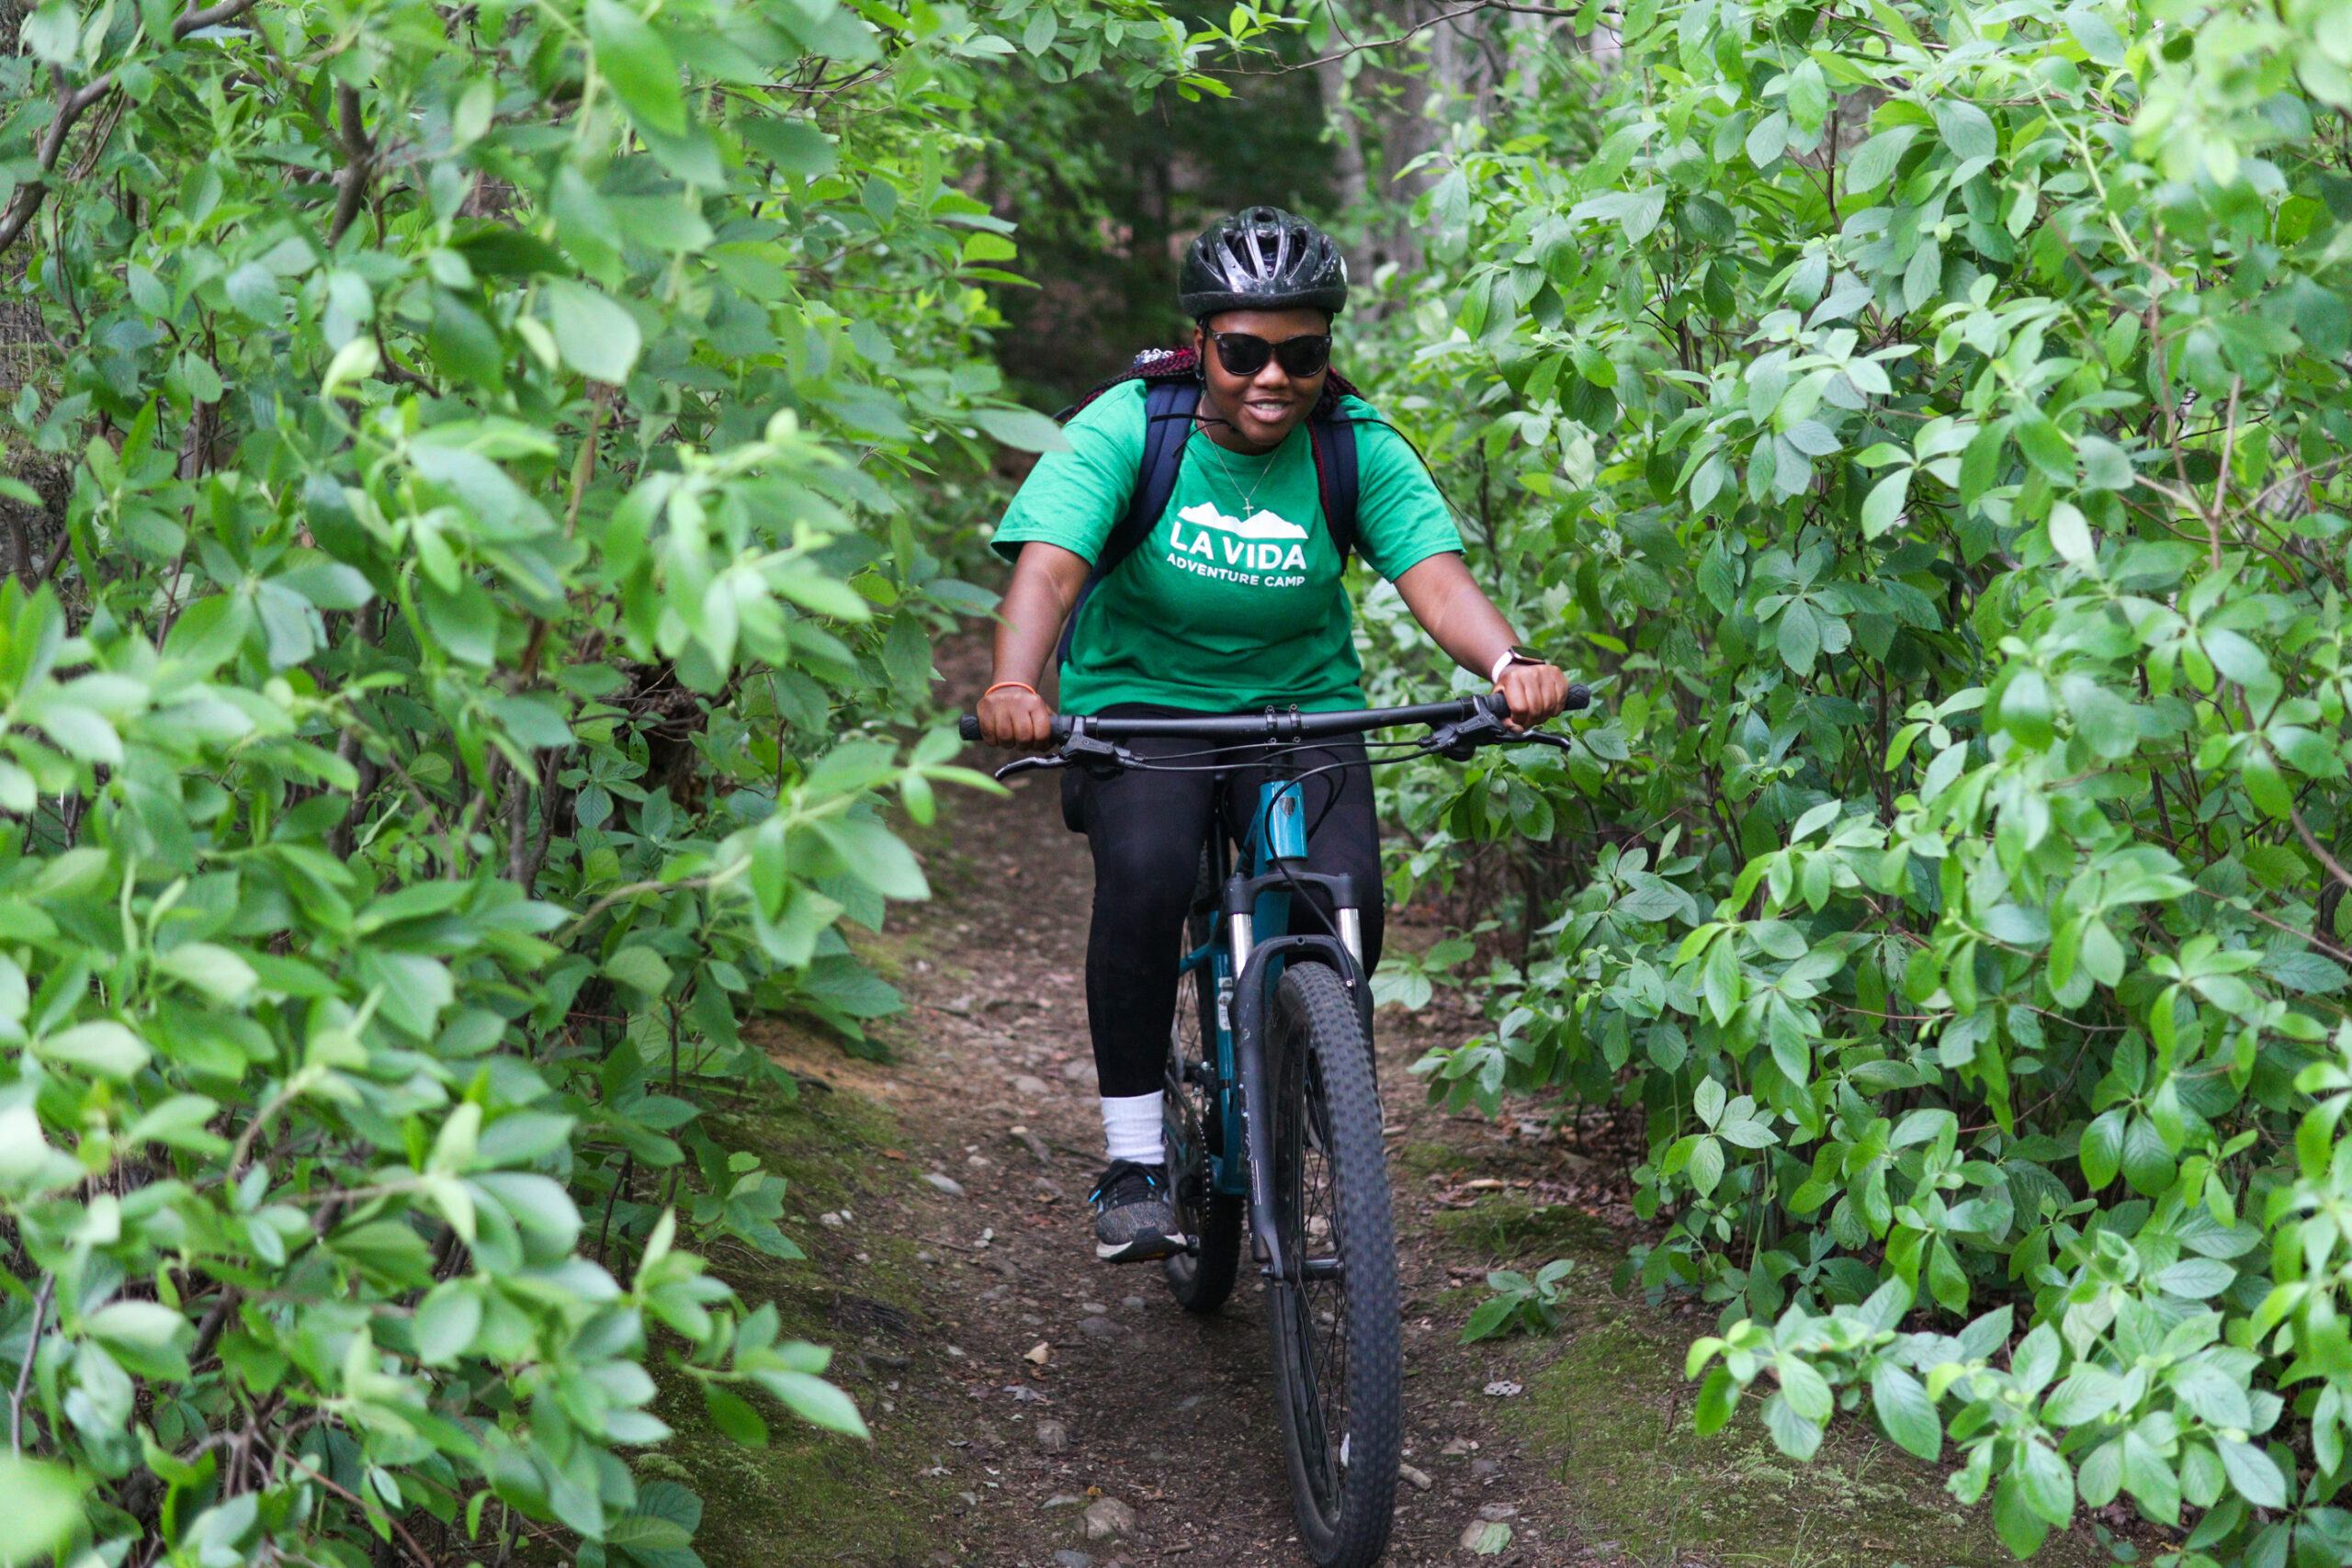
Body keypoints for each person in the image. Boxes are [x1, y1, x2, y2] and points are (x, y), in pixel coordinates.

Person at [978, 207, 1569, 1262]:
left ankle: (1307, 1083)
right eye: (1245, 351)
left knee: (1342, 903)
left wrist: (1507, 666)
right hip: (1139, 706)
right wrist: (1017, 681)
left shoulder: (1353, 444)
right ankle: (1134, 1161)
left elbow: (1434, 582)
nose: (1274, 378)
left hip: (1302, 708)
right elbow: (1052, 567)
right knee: (1152, 873)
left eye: (1303, 355)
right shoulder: (1129, 427)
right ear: (1198, 344)